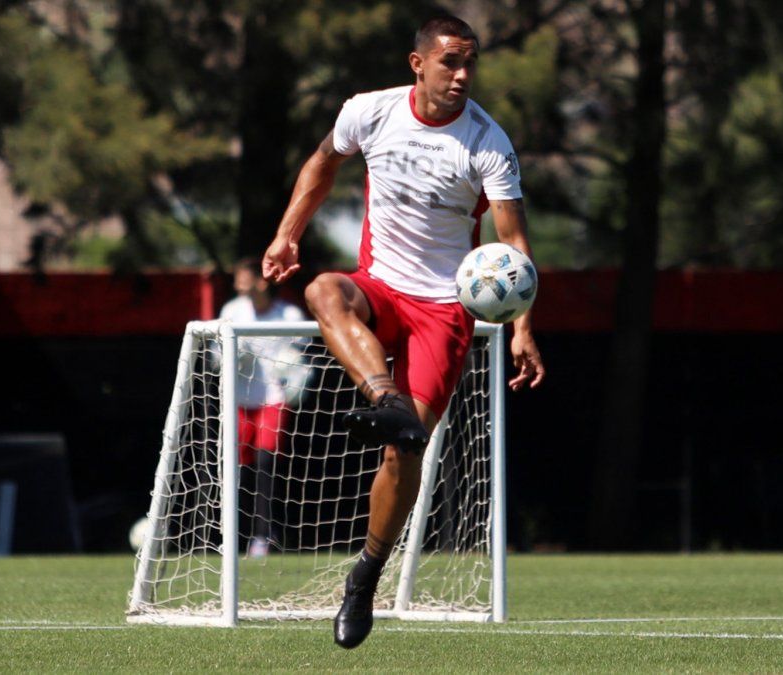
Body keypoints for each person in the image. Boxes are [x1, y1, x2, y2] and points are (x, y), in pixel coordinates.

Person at [261, 14, 545, 648]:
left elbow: (514, 242)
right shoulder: (370, 111)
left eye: (470, 62)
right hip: (381, 286)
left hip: (445, 308)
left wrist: (523, 326)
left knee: (404, 451)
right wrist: (286, 235)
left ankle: (366, 574)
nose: (462, 74)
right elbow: (319, 165)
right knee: (321, 290)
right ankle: (384, 399)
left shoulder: (487, 142)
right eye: (450, 62)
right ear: (418, 64)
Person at [219, 257, 307, 559]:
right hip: (240, 399)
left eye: (242, 277)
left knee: (267, 462)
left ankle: (265, 534)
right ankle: (235, 534)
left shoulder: (290, 315)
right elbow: (217, 359)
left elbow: (300, 359)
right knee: (239, 466)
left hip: (273, 397)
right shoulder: (232, 312)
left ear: (260, 280)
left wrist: (296, 374)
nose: (236, 284)